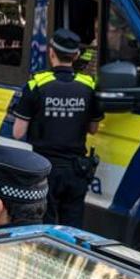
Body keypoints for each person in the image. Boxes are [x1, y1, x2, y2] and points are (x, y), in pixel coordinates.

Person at [11, 28, 103, 228]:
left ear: (51, 52)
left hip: (45, 169)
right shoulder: (88, 85)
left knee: (46, 227)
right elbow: (93, 129)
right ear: (76, 55)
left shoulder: (36, 84)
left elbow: (18, 133)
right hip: (77, 170)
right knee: (73, 229)